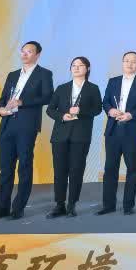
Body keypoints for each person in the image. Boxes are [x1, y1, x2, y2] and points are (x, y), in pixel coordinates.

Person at [0, 41, 54, 221]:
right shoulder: (13, 74)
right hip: (7, 124)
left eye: (29, 52)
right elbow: (3, 97)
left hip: (26, 125)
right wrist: (0, 109)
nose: (24, 54)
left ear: (37, 55)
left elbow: (48, 97)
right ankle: (2, 207)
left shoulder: (44, 74)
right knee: (5, 169)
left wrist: (22, 102)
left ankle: (18, 208)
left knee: (24, 165)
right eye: (22, 51)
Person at [44, 57, 101, 218]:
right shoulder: (62, 88)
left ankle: (72, 204)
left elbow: (97, 109)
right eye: (73, 65)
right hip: (60, 135)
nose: (76, 68)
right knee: (59, 171)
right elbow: (50, 109)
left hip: (81, 135)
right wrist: (62, 116)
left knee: (76, 170)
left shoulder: (93, 88)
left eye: (80, 65)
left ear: (87, 69)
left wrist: (81, 111)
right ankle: (59, 204)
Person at [99, 51, 136, 215]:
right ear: (122, 63)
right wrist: (110, 110)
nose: (130, 64)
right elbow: (105, 101)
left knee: (132, 168)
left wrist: (131, 114)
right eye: (127, 61)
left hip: (132, 130)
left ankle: (128, 205)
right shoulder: (113, 81)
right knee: (110, 168)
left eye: (133, 61)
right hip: (113, 130)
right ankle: (108, 205)